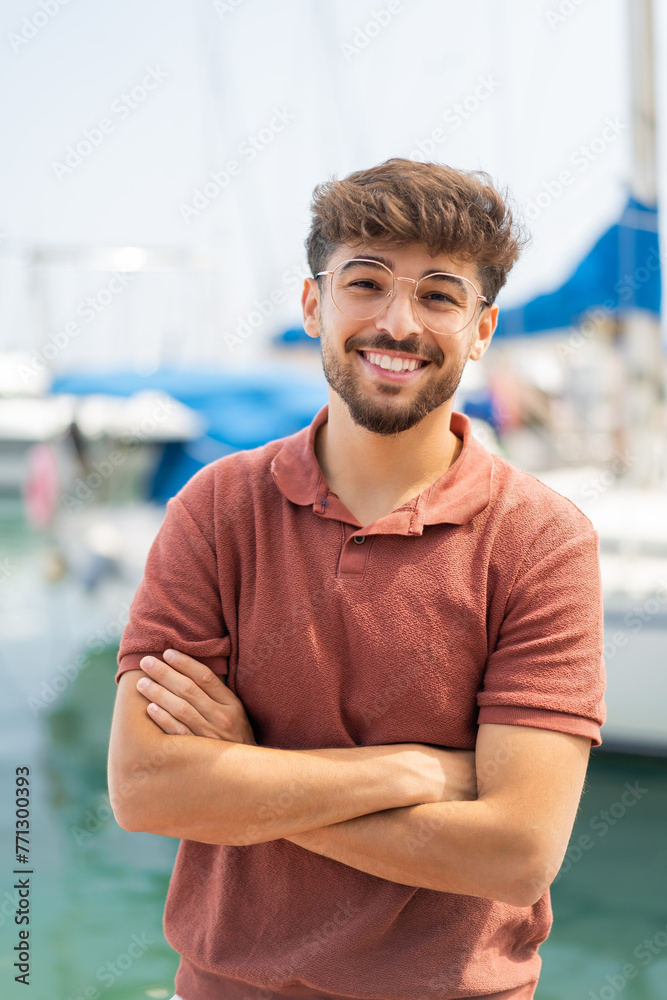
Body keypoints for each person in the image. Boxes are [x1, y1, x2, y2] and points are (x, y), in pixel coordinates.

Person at [108, 158, 606, 1000]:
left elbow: (515, 853)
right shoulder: (216, 509)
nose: (397, 322)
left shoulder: (542, 541)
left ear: (482, 329)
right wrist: (413, 771)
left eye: (440, 296)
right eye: (365, 284)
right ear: (314, 304)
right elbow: (148, 790)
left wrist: (244, 771)